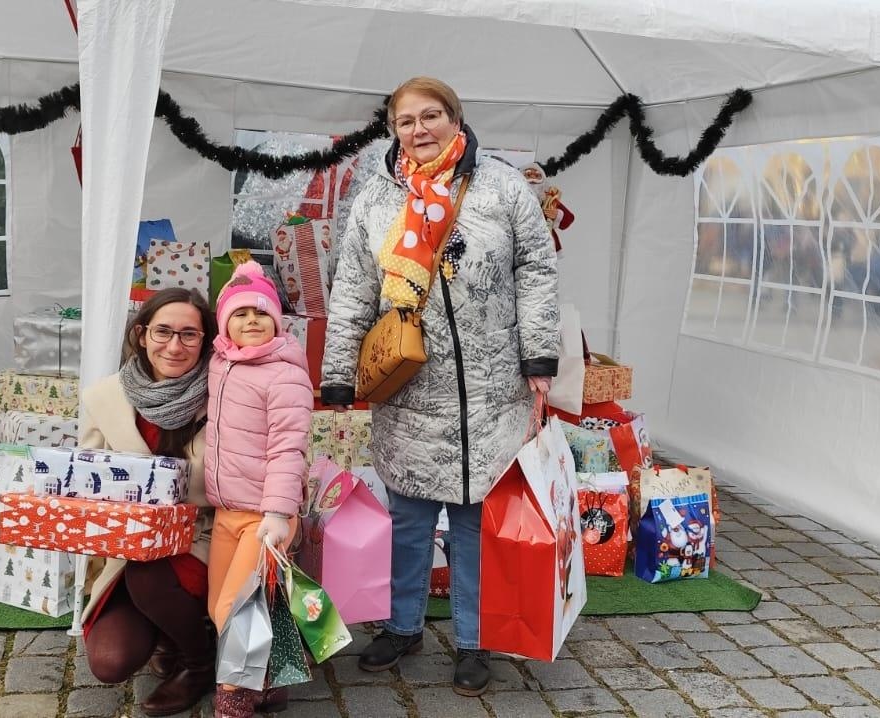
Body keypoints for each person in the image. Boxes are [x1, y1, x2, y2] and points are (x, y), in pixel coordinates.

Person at [319, 76, 559, 696]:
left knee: (478, 523)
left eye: (431, 116)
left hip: (491, 391)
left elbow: (536, 268)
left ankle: (475, 640)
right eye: (406, 121)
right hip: (410, 393)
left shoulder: (502, 187)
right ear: (392, 129)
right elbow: (351, 286)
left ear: (456, 119)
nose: (419, 130)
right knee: (410, 519)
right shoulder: (376, 199)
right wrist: (340, 372)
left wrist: (539, 354)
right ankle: (402, 627)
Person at [77, 288, 218, 716]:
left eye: (189, 335)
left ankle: (199, 663)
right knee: (109, 662)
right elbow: (86, 480)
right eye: (163, 331)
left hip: (199, 537)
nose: (175, 346)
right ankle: (169, 633)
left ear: (205, 340)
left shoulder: (225, 394)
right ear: (141, 334)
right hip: (127, 545)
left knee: (148, 572)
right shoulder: (105, 397)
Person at [203, 261, 311, 718]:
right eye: (241, 313)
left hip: (265, 517)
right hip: (227, 513)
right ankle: (269, 680)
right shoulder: (221, 363)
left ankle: (233, 696)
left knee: (237, 606)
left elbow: (289, 448)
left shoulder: (284, 374)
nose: (252, 321)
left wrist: (279, 514)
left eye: (262, 313)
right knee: (215, 606)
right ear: (224, 322)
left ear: (278, 322)